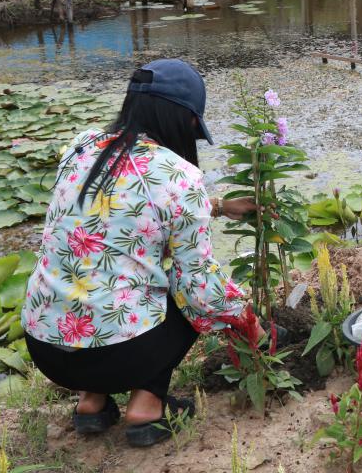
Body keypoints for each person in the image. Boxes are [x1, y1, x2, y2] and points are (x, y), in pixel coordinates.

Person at [21, 59, 262, 448]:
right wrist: (250, 324)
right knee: (182, 292)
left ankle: (92, 402)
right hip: (121, 356)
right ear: (182, 119)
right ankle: (147, 406)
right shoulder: (179, 175)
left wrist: (217, 205)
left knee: (96, 276)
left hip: (45, 349)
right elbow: (201, 288)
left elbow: (114, 210)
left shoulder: (82, 146)